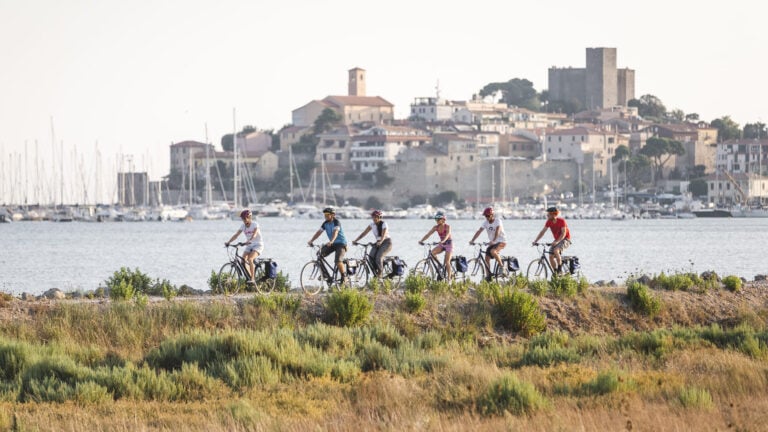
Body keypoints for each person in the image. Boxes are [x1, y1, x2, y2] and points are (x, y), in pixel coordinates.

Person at [307, 207, 348, 282]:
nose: (325, 216)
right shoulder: (325, 223)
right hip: (332, 244)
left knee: (338, 261)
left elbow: (335, 232)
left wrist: (331, 241)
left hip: (341, 244)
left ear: (333, 215)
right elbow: (319, 232)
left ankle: (344, 277)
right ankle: (325, 275)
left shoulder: (336, 222)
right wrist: (311, 240)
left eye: (327, 214)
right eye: (324, 215)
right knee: (319, 255)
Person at [225, 209, 264, 284]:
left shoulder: (255, 224)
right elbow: (236, 235)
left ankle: (253, 278)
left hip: (258, 245)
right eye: (243, 219)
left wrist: (250, 240)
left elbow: (254, 234)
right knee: (242, 261)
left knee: (250, 259)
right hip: (249, 245)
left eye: (245, 218)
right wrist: (228, 242)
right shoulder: (243, 226)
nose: (244, 220)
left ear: (250, 217)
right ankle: (249, 277)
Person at [469, 206, 507, 281]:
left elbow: (498, 231)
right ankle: (488, 276)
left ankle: (502, 267)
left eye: (488, 216)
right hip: (493, 243)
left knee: (493, 251)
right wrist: (472, 240)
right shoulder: (485, 223)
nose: (486, 217)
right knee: (486, 258)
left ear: (492, 215)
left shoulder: (498, 221)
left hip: (501, 241)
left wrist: (494, 240)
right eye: (485, 216)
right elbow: (479, 231)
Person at [352, 210, 392, 278]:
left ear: (379, 217)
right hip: (378, 242)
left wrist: (381, 241)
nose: (374, 218)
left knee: (379, 257)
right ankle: (376, 273)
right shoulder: (372, 225)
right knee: (370, 257)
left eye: (376, 217)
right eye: (373, 217)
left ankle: (380, 275)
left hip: (386, 242)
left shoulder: (384, 224)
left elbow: (384, 234)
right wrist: (356, 240)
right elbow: (364, 233)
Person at [532, 206, 572, 273]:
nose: (547, 216)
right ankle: (555, 273)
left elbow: (563, 233)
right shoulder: (549, 222)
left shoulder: (561, 221)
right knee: (550, 256)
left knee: (556, 250)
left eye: (548, 215)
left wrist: (557, 242)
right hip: (557, 240)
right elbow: (542, 232)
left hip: (565, 239)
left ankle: (559, 269)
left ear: (553, 214)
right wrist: (535, 241)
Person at [418, 211, 453, 280]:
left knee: (447, 262)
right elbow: (428, 234)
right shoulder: (435, 227)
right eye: (436, 219)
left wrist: (443, 241)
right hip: (441, 244)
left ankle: (449, 279)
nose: (437, 221)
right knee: (432, 253)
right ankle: (439, 265)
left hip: (449, 244)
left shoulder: (447, 227)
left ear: (443, 219)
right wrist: (421, 240)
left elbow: (447, 235)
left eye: (438, 219)